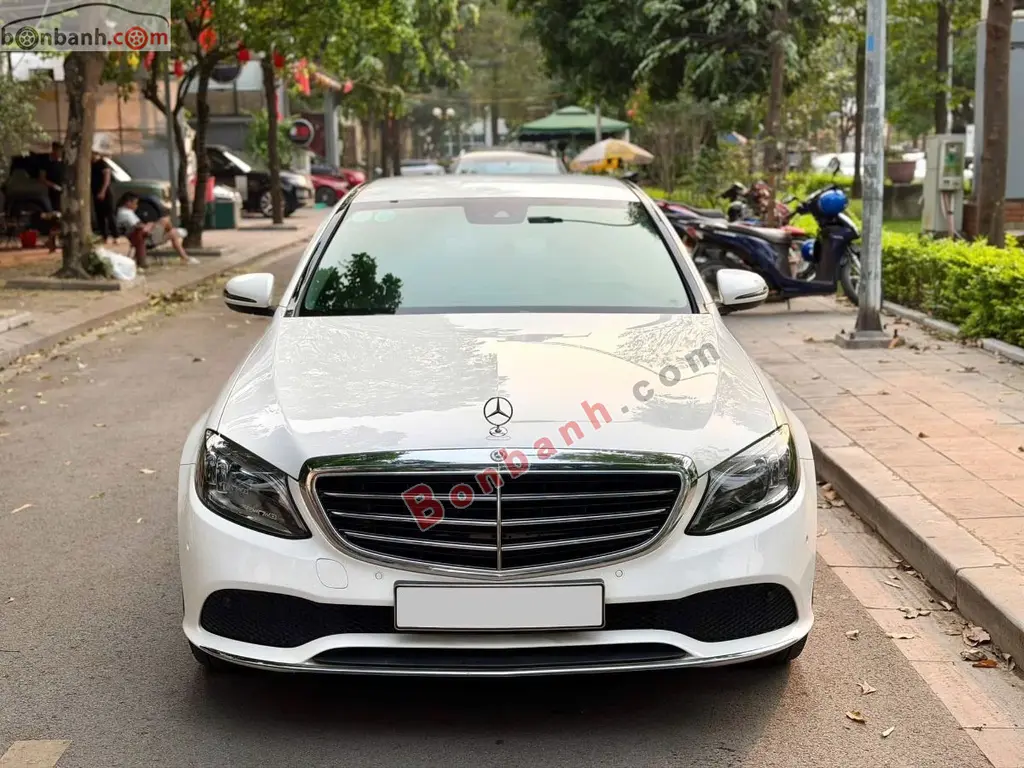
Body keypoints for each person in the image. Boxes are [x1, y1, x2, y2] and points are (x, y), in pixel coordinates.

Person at [115, 193, 198, 269]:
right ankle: (185, 256)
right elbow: (139, 227)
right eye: (135, 203)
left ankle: (185, 256)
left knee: (172, 232)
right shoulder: (126, 213)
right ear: (128, 203)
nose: (136, 206)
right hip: (146, 238)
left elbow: (138, 226)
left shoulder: (125, 212)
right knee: (166, 220)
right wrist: (150, 225)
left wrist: (150, 225)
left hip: (143, 237)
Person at [39, 143, 64, 252]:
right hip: (53, 194)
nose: (59, 153)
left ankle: (54, 240)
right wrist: (54, 186)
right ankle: (52, 241)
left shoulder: (64, 163)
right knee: (55, 217)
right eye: (57, 151)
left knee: (63, 217)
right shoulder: (46, 163)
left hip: (64, 193)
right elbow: (42, 178)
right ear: (54, 150)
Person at [91, 150, 116, 244]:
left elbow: (107, 179)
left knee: (109, 215)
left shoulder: (102, 164)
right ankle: (104, 235)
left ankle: (115, 235)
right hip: (95, 192)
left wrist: (103, 191)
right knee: (99, 215)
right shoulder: (91, 165)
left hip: (105, 193)